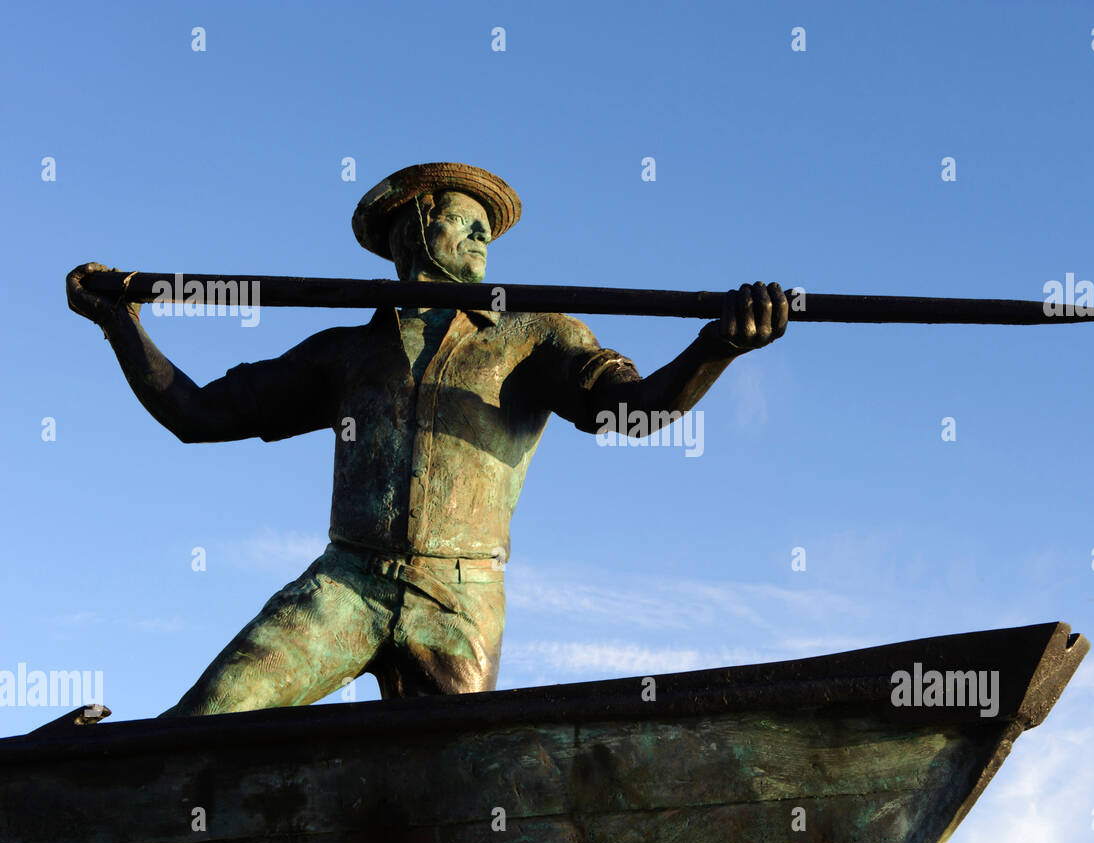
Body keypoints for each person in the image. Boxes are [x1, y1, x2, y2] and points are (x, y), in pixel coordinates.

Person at [65, 162, 788, 717]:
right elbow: (197, 413)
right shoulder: (346, 351)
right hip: (345, 581)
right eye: (463, 220)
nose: (481, 237)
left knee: (457, 779)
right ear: (413, 227)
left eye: (487, 229)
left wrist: (715, 348)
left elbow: (631, 411)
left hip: (459, 595)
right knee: (205, 719)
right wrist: (120, 324)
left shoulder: (534, 336)